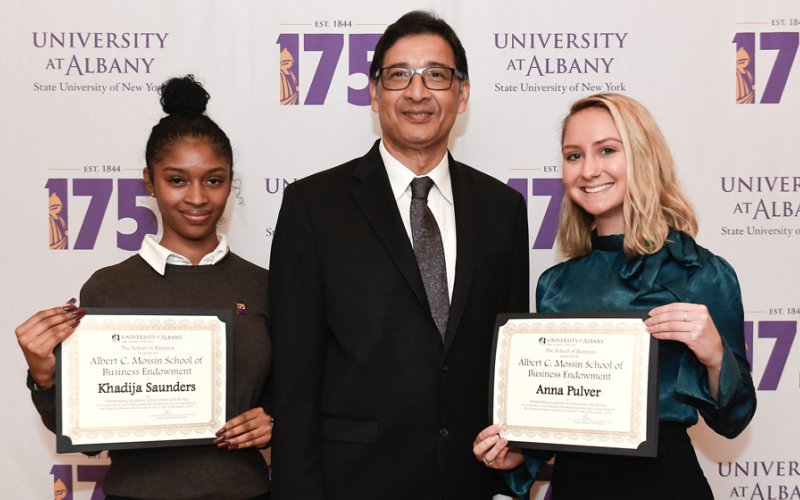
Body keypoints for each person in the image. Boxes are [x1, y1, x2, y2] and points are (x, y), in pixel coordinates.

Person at [269, 10, 529, 500]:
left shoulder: (503, 210)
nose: (417, 92)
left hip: (469, 481)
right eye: (398, 76)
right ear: (374, 93)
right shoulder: (313, 206)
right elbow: (294, 379)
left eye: (436, 75)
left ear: (462, 93)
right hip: (354, 482)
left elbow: (509, 366)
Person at [472, 93, 757, 499]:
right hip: (575, 487)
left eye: (607, 150)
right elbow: (560, 414)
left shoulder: (700, 273)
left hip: (665, 486)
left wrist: (715, 356)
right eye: (573, 156)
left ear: (642, 156)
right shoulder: (555, 285)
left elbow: (734, 419)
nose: (588, 170)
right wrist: (518, 457)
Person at [15, 75, 273, 499]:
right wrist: (44, 376)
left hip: (244, 492)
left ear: (230, 182)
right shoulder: (108, 288)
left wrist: (274, 422)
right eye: (176, 180)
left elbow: (295, 396)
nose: (197, 198)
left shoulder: (261, 284)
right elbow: (89, 436)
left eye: (213, 180)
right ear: (149, 182)